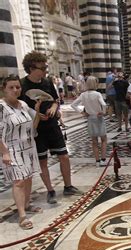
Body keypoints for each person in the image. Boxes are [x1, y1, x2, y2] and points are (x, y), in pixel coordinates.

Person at [19, 51, 81, 204]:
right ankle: (50, 190)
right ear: (31, 68)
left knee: (64, 156)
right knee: (42, 161)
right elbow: (20, 108)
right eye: (43, 67)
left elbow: (55, 100)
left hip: (52, 125)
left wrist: (54, 107)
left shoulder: (47, 82)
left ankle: (68, 186)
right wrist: (36, 115)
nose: (46, 70)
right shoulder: (22, 85)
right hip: (36, 129)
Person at [0, 75, 42, 230]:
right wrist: (4, 152)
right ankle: (22, 215)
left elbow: (33, 126)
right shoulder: (1, 107)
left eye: (17, 87)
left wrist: (37, 112)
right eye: (11, 87)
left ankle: (26, 203)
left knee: (28, 177)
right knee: (19, 181)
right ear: (4, 89)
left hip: (29, 147)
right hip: (11, 149)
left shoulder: (23, 104)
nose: (15, 90)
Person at [71, 76, 107, 167]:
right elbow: (104, 104)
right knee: (103, 139)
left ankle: (97, 161)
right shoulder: (97, 94)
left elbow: (73, 105)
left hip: (90, 118)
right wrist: (103, 112)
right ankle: (103, 159)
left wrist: (82, 112)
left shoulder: (83, 95)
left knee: (94, 141)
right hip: (98, 118)